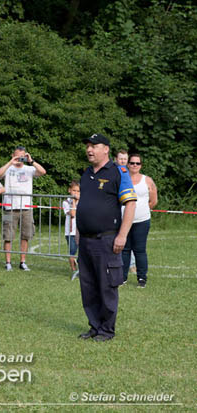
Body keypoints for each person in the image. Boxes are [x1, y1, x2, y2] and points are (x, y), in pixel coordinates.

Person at [76, 133, 136, 342]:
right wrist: (78, 232)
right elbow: (83, 204)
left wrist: (122, 235)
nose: (89, 150)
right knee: (88, 285)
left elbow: (130, 203)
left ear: (106, 149)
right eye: (88, 146)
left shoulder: (118, 172)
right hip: (86, 240)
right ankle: (94, 326)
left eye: (94, 146)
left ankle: (107, 330)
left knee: (106, 286)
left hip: (107, 240)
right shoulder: (86, 174)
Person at [0, 146, 46, 271]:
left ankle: (22, 261)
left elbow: (43, 172)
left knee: (26, 235)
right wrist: (10, 162)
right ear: (13, 155)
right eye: (17, 156)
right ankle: (8, 262)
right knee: (8, 235)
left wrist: (31, 161)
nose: (20, 159)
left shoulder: (29, 169)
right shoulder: (8, 168)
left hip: (26, 207)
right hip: (9, 207)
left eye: (22, 156)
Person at [122, 153, 158, 288]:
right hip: (124, 220)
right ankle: (122, 277)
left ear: (141, 165)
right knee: (124, 249)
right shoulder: (122, 179)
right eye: (132, 163)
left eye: (137, 163)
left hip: (142, 221)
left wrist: (142, 211)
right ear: (128, 164)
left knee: (139, 250)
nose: (134, 165)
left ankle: (142, 278)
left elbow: (154, 200)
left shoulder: (147, 180)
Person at [114, 150, 137, 274]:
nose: (122, 161)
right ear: (115, 159)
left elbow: (131, 202)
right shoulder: (114, 172)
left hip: (126, 212)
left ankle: (131, 264)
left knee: (126, 240)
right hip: (116, 213)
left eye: (125, 159)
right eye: (120, 158)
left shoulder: (124, 173)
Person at [62, 181, 80, 280]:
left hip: (81, 231)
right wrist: (73, 201)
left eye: (78, 191)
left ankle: (81, 268)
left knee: (82, 252)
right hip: (70, 232)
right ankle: (73, 269)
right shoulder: (66, 202)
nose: (76, 193)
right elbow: (72, 213)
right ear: (69, 190)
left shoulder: (83, 201)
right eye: (74, 190)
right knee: (72, 251)